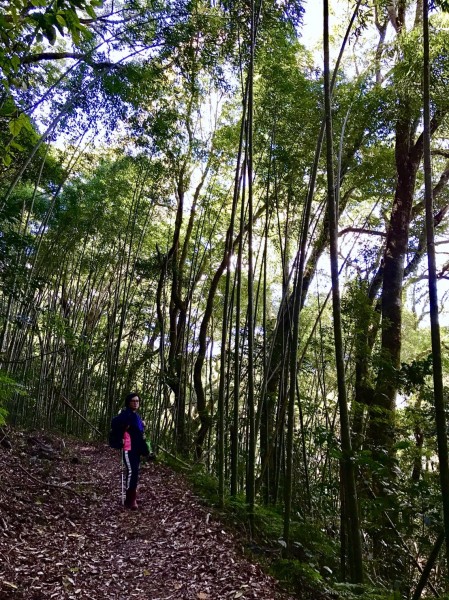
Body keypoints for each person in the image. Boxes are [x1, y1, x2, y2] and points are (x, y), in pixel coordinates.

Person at [115, 392, 149, 510]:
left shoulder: (136, 416)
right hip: (128, 448)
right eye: (133, 401)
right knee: (132, 471)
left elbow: (139, 429)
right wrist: (121, 434)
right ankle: (130, 499)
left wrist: (142, 424)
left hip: (137, 448)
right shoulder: (125, 414)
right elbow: (115, 423)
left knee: (135, 472)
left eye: (137, 401)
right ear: (128, 402)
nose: (135, 403)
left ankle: (132, 496)